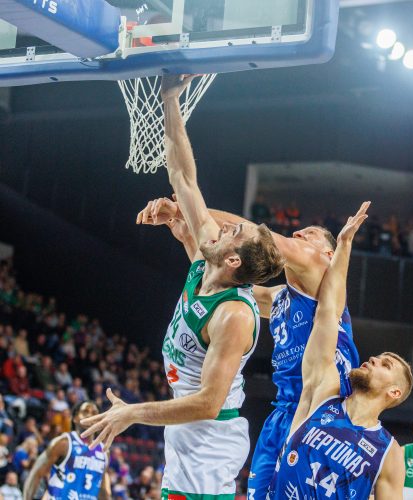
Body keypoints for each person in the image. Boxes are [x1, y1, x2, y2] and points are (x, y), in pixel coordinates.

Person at [80, 74, 284, 500]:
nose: (225, 224)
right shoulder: (206, 257)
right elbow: (183, 178)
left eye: (235, 232)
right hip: (185, 427)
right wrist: (171, 98)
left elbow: (209, 402)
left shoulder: (234, 314)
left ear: (234, 260)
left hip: (209, 437)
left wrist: (133, 413)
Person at [138, 195, 360, 499]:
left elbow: (250, 235)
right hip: (285, 409)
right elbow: (217, 276)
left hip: (325, 410)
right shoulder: (280, 297)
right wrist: (188, 233)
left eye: (309, 234)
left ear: (329, 253)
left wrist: (185, 210)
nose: (298, 235)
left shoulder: (320, 266)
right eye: (299, 232)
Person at [267, 202, 413, 499]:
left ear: (395, 393)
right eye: (379, 358)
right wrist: (345, 244)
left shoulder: (389, 453)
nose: (374, 358)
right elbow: (328, 311)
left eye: (385, 365)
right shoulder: (324, 392)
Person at [23, 401, 111, 500]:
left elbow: (103, 489)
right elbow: (36, 474)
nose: (90, 415)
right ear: (74, 418)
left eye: (94, 413)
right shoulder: (63, 443)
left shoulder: (104, 451)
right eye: (85, 411)